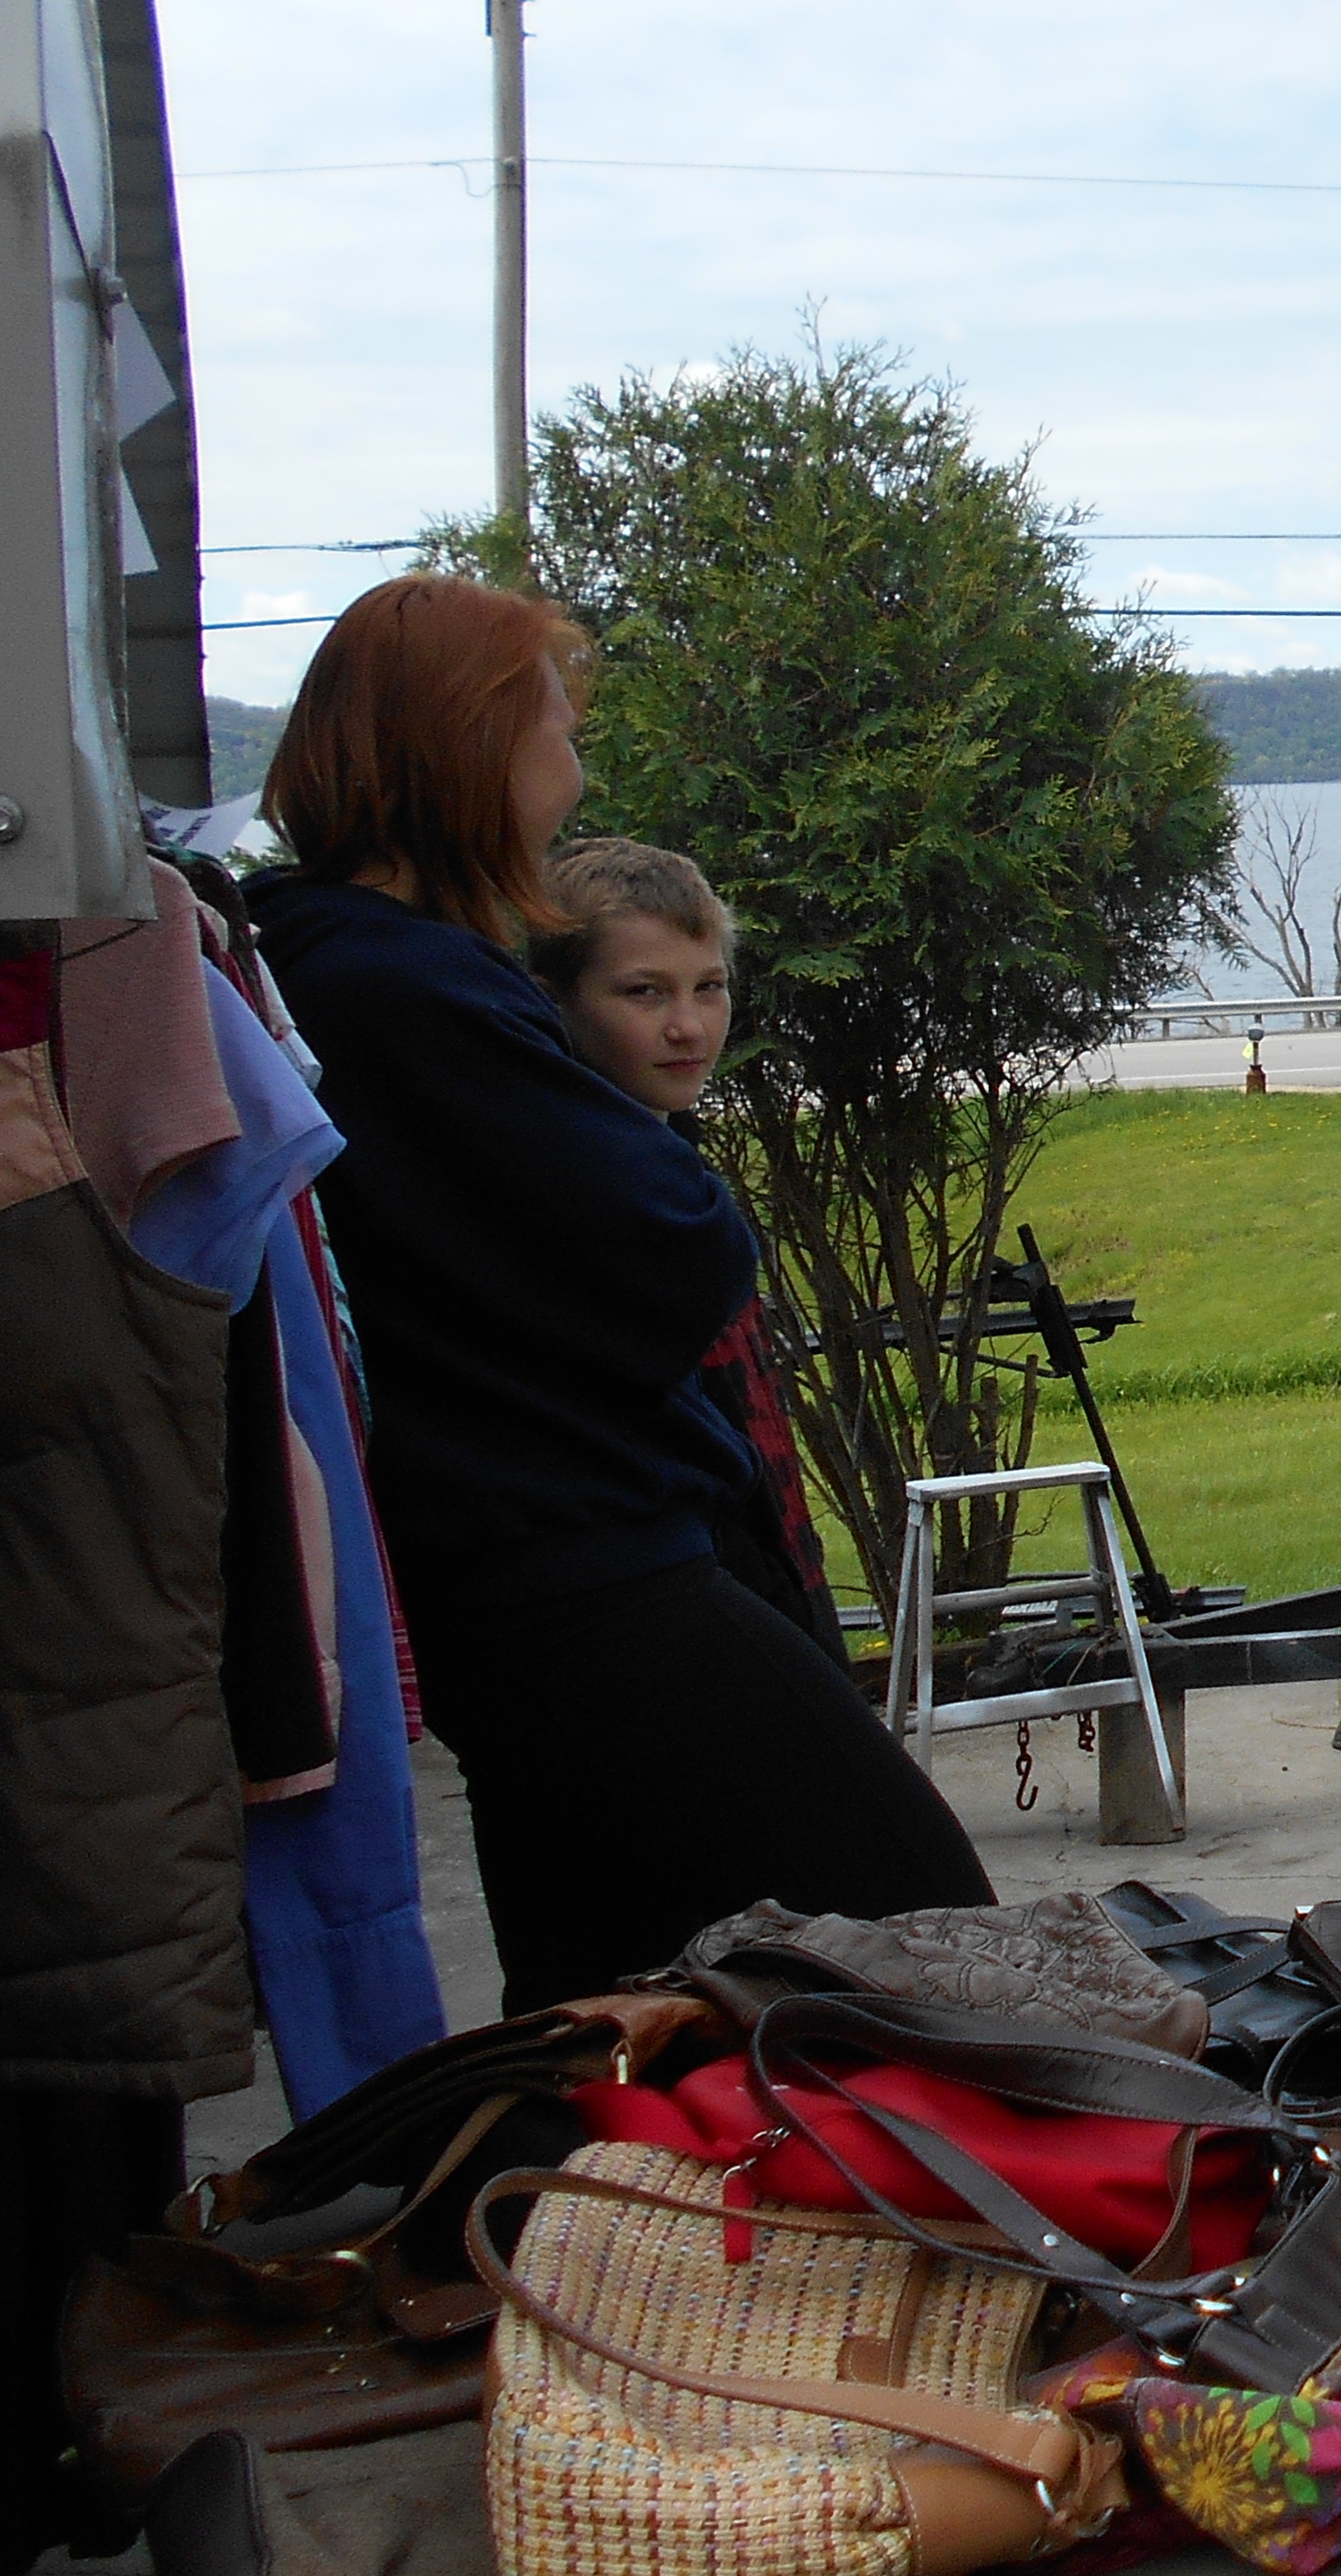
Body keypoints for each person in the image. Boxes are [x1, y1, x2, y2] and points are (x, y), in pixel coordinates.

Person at [249, 575, 991, 2012]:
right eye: (558, 726)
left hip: (495, 1563)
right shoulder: (406, 987)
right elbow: (674, 1242)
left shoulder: (330, 958)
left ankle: (583, 2224)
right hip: (567, 1565)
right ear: (470, 748)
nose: (574, 768)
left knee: (607, 1980)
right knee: (923, 1942)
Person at [530, 836, 853, 1671]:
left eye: (709, 988)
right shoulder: (579, 1184)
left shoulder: (669, 1159)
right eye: (643, 993)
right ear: (551, 1002)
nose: (687, 1026)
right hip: (660, 1607)